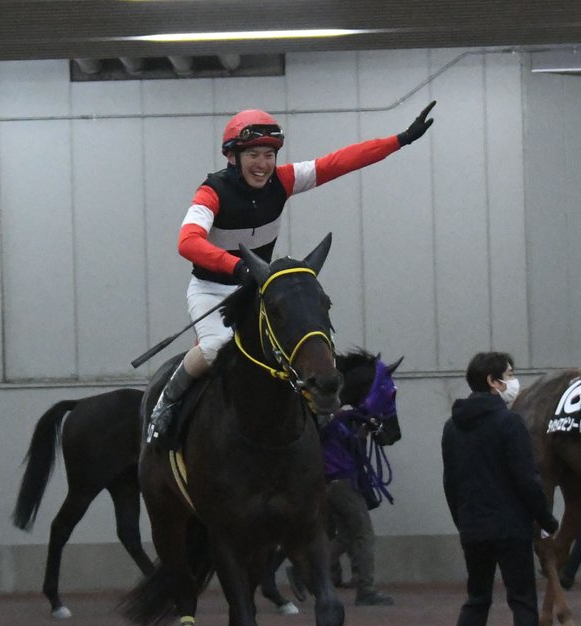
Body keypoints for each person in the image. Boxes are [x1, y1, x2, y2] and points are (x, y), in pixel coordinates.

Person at [145, 102, 437, 441]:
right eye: (253, 154)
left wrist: (400, 140)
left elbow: (339, 162)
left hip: (257, 287)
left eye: (269, 155)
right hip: (212, 288)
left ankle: (315, 408)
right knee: (214, 349)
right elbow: (187, 242)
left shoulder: (283, 180)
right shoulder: (212, 193)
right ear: (232, 157)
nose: (263, 164)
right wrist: (237, 266)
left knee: (311, 340)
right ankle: (166, 403)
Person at [441, 352, 559, 626]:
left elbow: (451, 482)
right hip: (511, 526)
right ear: (493, 382)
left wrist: (462, 520)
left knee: (477, 598)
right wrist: (546, 519)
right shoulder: (510, 424)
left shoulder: (452, 427)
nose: (513, 381)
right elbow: (526, 478)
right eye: (508, 374)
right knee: (522, 602)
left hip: (473, 525)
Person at [321, 408, 393, 606]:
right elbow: (350, 452)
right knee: (364, 535)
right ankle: (366, 590)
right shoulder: (337, 423)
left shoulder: (324, 424)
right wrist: (361, 431)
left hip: (330, 483)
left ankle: (306, 568)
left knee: (346, 536)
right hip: (343, 482)